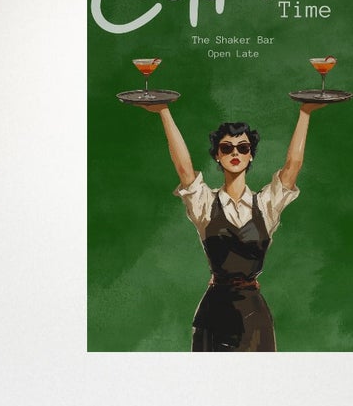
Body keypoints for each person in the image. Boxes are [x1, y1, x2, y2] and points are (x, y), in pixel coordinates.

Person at [138, 99, 325, 352]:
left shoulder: (266, 205)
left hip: (254, 318)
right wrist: (163, 110)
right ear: (217, 155)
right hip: (213, 316)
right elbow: (184, 168)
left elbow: (293, 166)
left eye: (243, 147)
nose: (235, 153)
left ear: (251, 155)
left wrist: (305, 111)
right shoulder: (205, 204)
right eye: (227, 148)